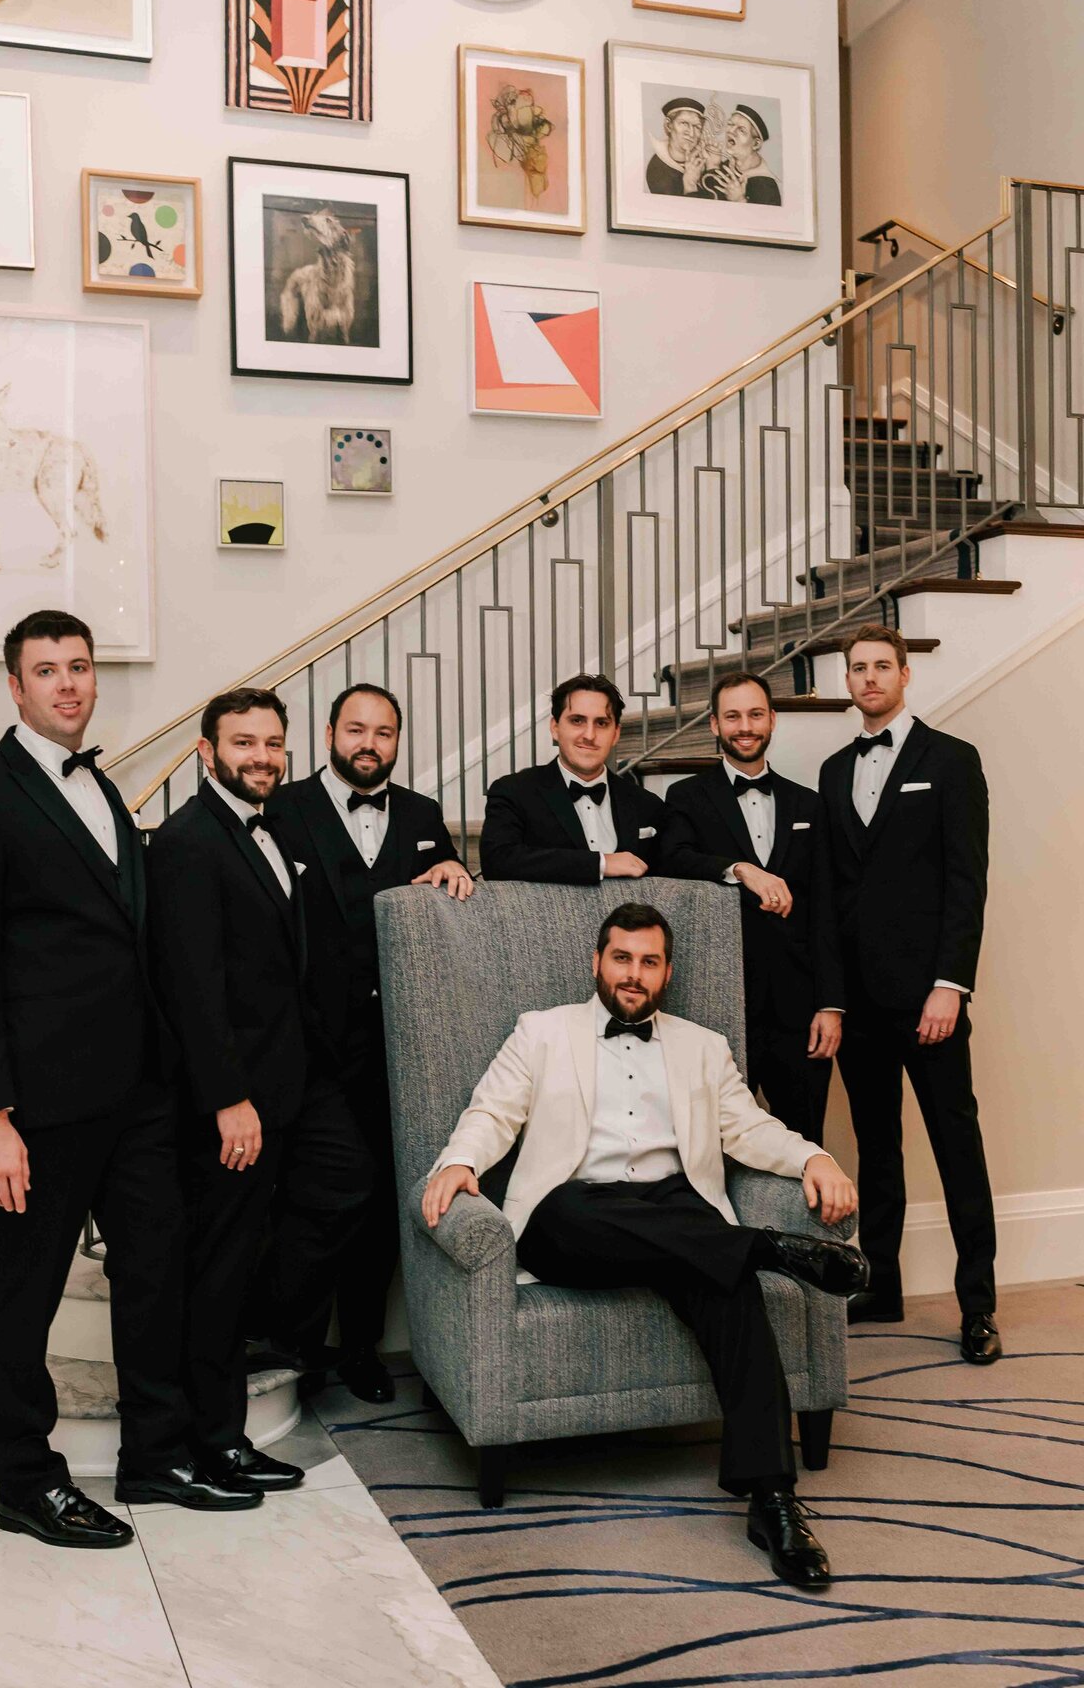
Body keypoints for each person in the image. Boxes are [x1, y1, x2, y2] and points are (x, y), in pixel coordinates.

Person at [0, 609, 261, 1551]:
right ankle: (27, 1481)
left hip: (139, 1092)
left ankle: (156, 1458)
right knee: (25, 1287)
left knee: (156, 1271)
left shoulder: (106, 790)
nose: (67, 684)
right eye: (47, 671)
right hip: (40, 1101)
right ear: (15, 686)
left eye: (79, 667)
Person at [422, 902, 864, 1589]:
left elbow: (749, 1128)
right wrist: (459, 1162)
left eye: (649, 962)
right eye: (621, 958)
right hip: (577, 1216)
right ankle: (771, 1248)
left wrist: (813, 1158)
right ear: (596, 962)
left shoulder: (702, 1045)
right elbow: (493, 1111)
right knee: (592, 1216)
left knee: (728, 1280)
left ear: (667, 973)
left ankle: (772, 1499)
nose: (634, 974)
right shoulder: (541, 1033)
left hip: (676, 1209)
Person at [146, 688, 373, 1490]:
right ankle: (218, 1437)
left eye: (272, 743)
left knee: (346, 1183)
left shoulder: (276, 827)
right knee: (219, 1263)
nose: (262, 757)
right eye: (243, 743)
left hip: (298, 1075)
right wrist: (226, 1099)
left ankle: (275, 1332)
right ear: (206, 752)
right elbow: (192, 987)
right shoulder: (186, 842)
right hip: (236, 1092)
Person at [268, 683, 473, 1403]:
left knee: (382, 1201)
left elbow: (446, 895)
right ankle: (289, 1348)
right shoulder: (283, 808)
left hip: (399, 1048)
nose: (370, 743)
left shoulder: (418, 814)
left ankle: (357, 1349)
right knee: (313, 1196)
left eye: (383, 732)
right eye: (356, 729)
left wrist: (454, 870)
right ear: (328, 733)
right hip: (308, 1045)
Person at [818, 624, 999, 1363]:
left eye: (881, 667)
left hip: (930, 1001)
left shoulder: (951, 761)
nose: (868, 679)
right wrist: (831, 997)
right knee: (875, 1149)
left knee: (957, 1147)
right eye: (857, 669)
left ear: (905, 675)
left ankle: (979, 1306)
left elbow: (967, 882)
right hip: (858, 1006)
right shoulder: (833, 770)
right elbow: (828, 895)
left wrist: (949, 986)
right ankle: (882, 1282)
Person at [666, 672, 843, 1143]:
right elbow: (675, 858)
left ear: (772, 720)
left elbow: (826, 907)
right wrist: (742, 869)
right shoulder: (685, 797)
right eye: (733, 716)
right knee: (715, 1146)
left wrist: (830, 1004)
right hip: (721, 1005)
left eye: (755, 714)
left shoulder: (808, 803)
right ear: (714, 725)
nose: (745, 726)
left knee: (805, 1144)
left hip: (800, 1010)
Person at [479, 671, 788, 903]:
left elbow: (678, 860)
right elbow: (498, 861)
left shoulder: (646, 804)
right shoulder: (515, 791)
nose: (589, 734)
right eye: (577, 721)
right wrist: (601, 863)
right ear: (554, 727)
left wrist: (741, 869)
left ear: (616, 734)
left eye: (601, 723)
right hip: (548, 951)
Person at [706, 104, 781, 206]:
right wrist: (713, 166)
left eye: (741, 130)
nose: (731, 131)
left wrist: (740, 200)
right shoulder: (726, 166)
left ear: (756, 144)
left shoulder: (766, 186)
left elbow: (769, 219)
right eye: (731, 124)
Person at [645, 96, 707, 196]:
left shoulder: (705, 159)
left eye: (697, 127)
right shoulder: (658, 170)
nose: (691, 133)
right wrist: (690, 184)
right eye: (684, 123)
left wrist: (714, 167)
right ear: (669, 125)